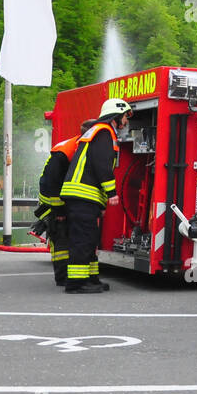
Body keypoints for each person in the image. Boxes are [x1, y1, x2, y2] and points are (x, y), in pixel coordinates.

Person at [59, 99, 130, 294]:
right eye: (125, 116)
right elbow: (102, 165)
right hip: (82, 195)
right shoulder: (104, 132)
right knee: (83, 240)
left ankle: (90, 279)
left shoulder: (98, 132)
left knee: (89, 239)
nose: (126, 121)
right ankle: (76, 283)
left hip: (83, 197)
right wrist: (112, 193)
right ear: (116, 116)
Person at [34, 119, 94, 286]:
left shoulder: (80, 146)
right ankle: (62, 276)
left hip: (64, 199)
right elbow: (49, 182)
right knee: (60, 238)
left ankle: (69, 275)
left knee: (69, 236)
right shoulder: (65, 151)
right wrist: (58, 210)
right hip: (52, 201)